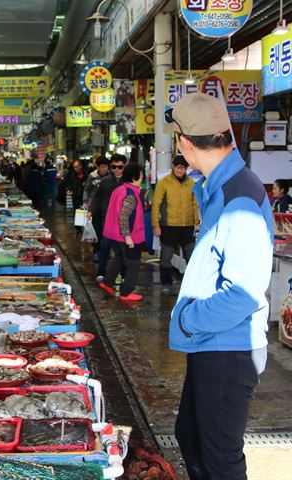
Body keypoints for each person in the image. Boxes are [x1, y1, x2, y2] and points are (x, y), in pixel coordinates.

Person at [165, 92, 273, 480]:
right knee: (191, 437)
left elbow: (243, 292)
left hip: (228, 348)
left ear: (185, 143)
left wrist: (189, 319)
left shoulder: (238, 196)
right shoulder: (218, 186)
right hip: (213, 343)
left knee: (220, 459)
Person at [151, 156, 200, 293]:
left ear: (186, 169)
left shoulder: (191, 183)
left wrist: (196, 222)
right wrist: (156, 225)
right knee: (166, 258)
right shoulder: (164, 182)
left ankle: (191, 284)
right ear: (173, 167)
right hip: (168, 226)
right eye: (177, 166)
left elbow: (195, 204)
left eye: (183, 167)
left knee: (192, 256)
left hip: (187, 227)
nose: (180, 169)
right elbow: (156, 205)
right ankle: (166, 282)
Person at [98, 163, 145, 302]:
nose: (142, 177)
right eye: (141, 175)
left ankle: (107, 282)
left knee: (119, 259)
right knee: (133, 263)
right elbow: (123, 216)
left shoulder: (120, 190)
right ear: (135, 177)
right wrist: (128, 236)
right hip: (126, 236)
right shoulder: (131, 195)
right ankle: (127, 292)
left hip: (114, 234)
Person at [90, 154, 127, 279]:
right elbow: (97, 198)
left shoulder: (127, 181)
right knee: (105, 246)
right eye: (114, 166)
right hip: (107, 219)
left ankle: (123, 274)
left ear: (124, 166)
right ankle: (101, 272)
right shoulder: (105, 181)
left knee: (122, 249)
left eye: (120, 167)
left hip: (123, 220)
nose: (117, 169)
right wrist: (91, 211)